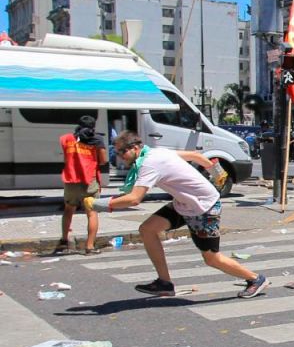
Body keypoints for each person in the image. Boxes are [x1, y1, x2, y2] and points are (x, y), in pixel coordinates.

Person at [94, 131, 268, 298]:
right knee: (147, 229)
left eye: (122, 151)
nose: (120, 156)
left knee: (212, 258)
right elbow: (195, 156)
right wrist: (217, 172)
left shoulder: (149, 163)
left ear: (135, 147)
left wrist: (99, 204)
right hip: (184, 204)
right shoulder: (156, 152)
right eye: (117, 152)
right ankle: (165, 283)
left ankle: (256, 279)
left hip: (204, 207)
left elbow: (134, 199)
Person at [57, 116, 108, 254]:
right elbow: (103, 161)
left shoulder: (66, 139)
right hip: (89, 181)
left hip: (71, 180)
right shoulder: (96, 140)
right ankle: (89, 246)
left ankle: (64, 241)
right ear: (93, 127)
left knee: (68, 210)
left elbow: (66, 158)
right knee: (92, 213)